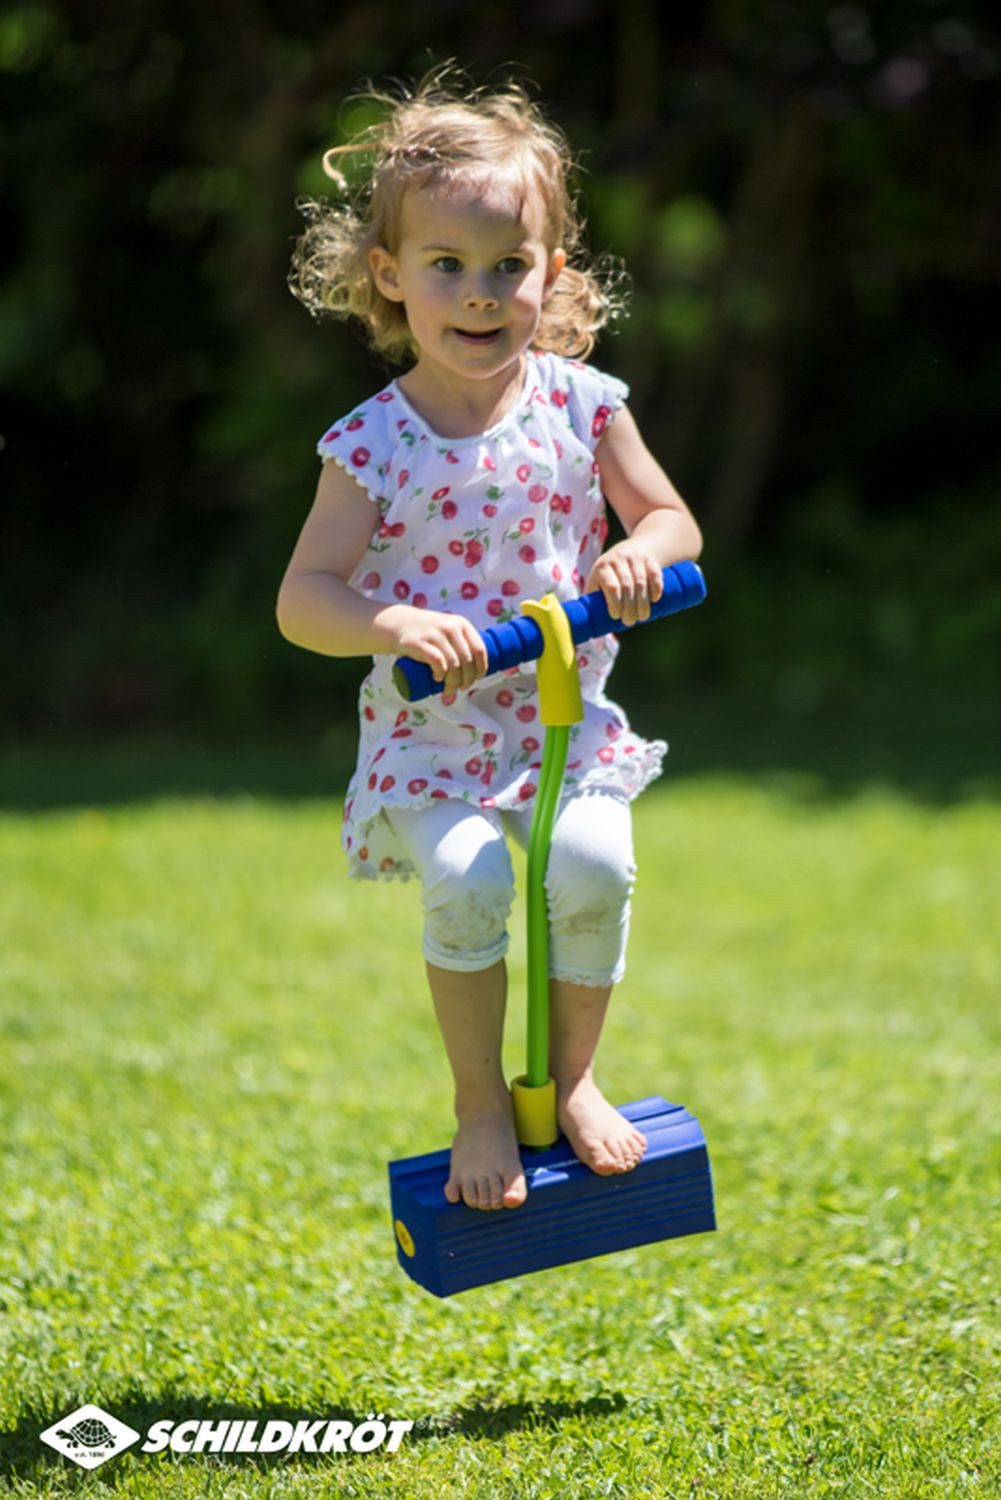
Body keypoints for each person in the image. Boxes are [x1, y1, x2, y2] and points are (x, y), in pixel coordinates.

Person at [277, 71, 702, 1213]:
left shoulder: (582, 405)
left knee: (594, 867)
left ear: (550, 273)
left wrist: (637, 556)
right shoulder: (370, 445)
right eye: (446, 267)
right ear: (389, 276)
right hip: (432, 736)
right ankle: (478, 1103)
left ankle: (572, 1084)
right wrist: (395, 620)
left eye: (508, 266)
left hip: (562, 714)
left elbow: (671, 521)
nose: (479, 295)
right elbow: (303, 598)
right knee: (465, 880)